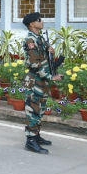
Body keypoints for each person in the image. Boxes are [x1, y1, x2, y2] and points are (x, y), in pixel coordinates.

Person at [22, 12, 62, 154]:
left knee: (40, 109)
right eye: (39, 20)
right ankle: (30, 141)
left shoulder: (40, 38)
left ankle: (36, 135)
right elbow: (35, 64)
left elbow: (45, 58)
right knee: (33, 110)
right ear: (32, 24)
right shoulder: (30, 41)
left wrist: (51, 52)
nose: (42, 21)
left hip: (42, 81)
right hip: (35, 81)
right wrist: (51, 77)